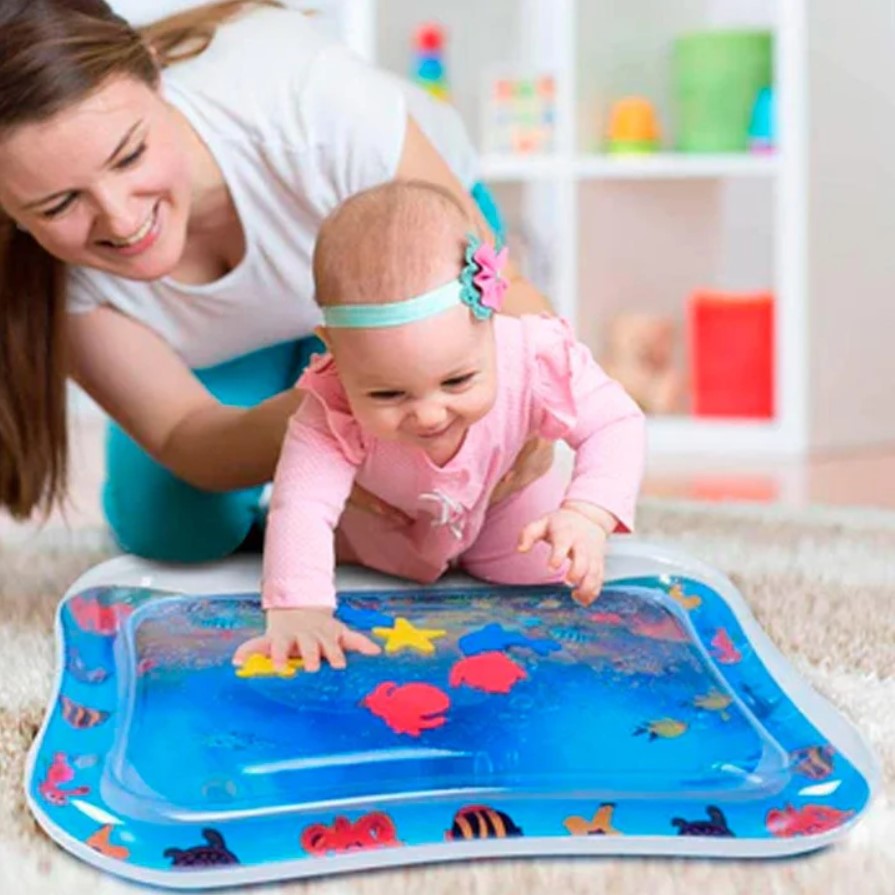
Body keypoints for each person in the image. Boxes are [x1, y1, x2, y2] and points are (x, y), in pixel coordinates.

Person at [0, 0, 552, 560]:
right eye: (59, 204)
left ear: (155, 73)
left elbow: (515, 301)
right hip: (244, 343)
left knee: (486, 515)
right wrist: (325, 432)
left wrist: (527, 417)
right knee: (172, 531)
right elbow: (185, 434)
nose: (120, 219)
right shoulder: (46, 274)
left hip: (406, 263)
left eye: (129, 155)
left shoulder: (302, 95)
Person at [233, 180, 646, 673]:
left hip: (505, 503)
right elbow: (302, 502)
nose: (429, 415)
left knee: (553, 574)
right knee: (336, 565)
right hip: (384, 525)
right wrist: (300, 608)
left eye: (457, 380)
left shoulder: (534, 356)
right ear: (335, 352)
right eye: (387, 393)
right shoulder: (333, 405)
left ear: (492, 319)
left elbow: (615, 422)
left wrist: (587, 513)